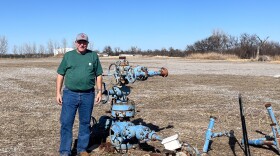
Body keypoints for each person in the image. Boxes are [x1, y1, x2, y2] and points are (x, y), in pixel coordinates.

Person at [56, 33, 103, 156]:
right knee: (66, 123)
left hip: (88, 95)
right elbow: (60, 74)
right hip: (70, 94)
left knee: (85, 123)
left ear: (87, 43)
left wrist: (99, 92)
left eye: (84, 42)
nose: (82, 44)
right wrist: (58, 93)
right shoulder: (68, 56)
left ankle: (82, 149)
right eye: (80, 42)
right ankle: (65, 151)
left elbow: (99, 74)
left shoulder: (93, 56)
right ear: (75, 43)